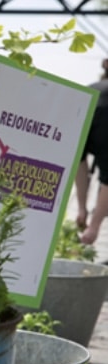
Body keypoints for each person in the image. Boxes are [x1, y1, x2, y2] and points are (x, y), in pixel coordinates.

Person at [76, 59, 108, 244]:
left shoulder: (90, 90)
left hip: (86, 111)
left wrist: (82, 208)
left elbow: (78, 161)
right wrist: (94, 226)